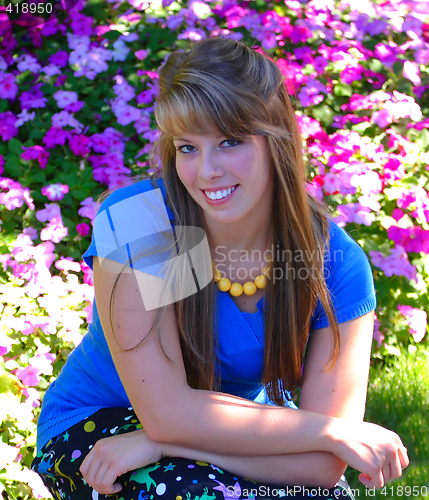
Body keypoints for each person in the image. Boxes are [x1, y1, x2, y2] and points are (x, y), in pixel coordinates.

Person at [31, 37, 409, 500]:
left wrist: (161, 442)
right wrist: (325, 432)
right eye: (188, 147)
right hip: (103, 427)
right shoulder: (151, 224)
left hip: (224, 428)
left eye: (229, 142)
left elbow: (324, 466)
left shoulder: (333, 264)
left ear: (278, 142)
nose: (206, 170)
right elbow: (167, 410)